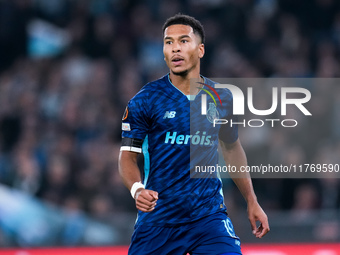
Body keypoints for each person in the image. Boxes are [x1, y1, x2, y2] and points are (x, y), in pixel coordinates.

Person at [118, 13, 269, 255]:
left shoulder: (221, 97)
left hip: (208, 218)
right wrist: (137, 189)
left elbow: (231, 149)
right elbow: (127, 157)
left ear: (200, 50)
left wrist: (251, 200)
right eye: (168, 42)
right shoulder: (145, 100)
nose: (175, 48)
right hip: (158, 219)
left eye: (183, 41)